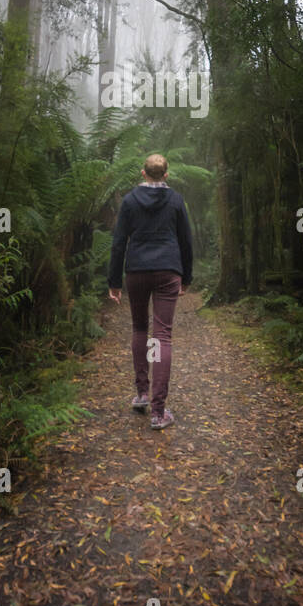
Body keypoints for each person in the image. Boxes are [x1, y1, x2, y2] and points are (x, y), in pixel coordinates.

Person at [107, 153, 193, 430]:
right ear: (166, 175)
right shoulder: (176, 200)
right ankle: (158, 412)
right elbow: (186, 241)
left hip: (136, 270)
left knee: (139, 330)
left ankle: (142, 394)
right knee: (162, 336)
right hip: (168, 269)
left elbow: (119, 242)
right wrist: (186, 278)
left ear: (143, 173)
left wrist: (114, 281)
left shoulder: (130, 200)